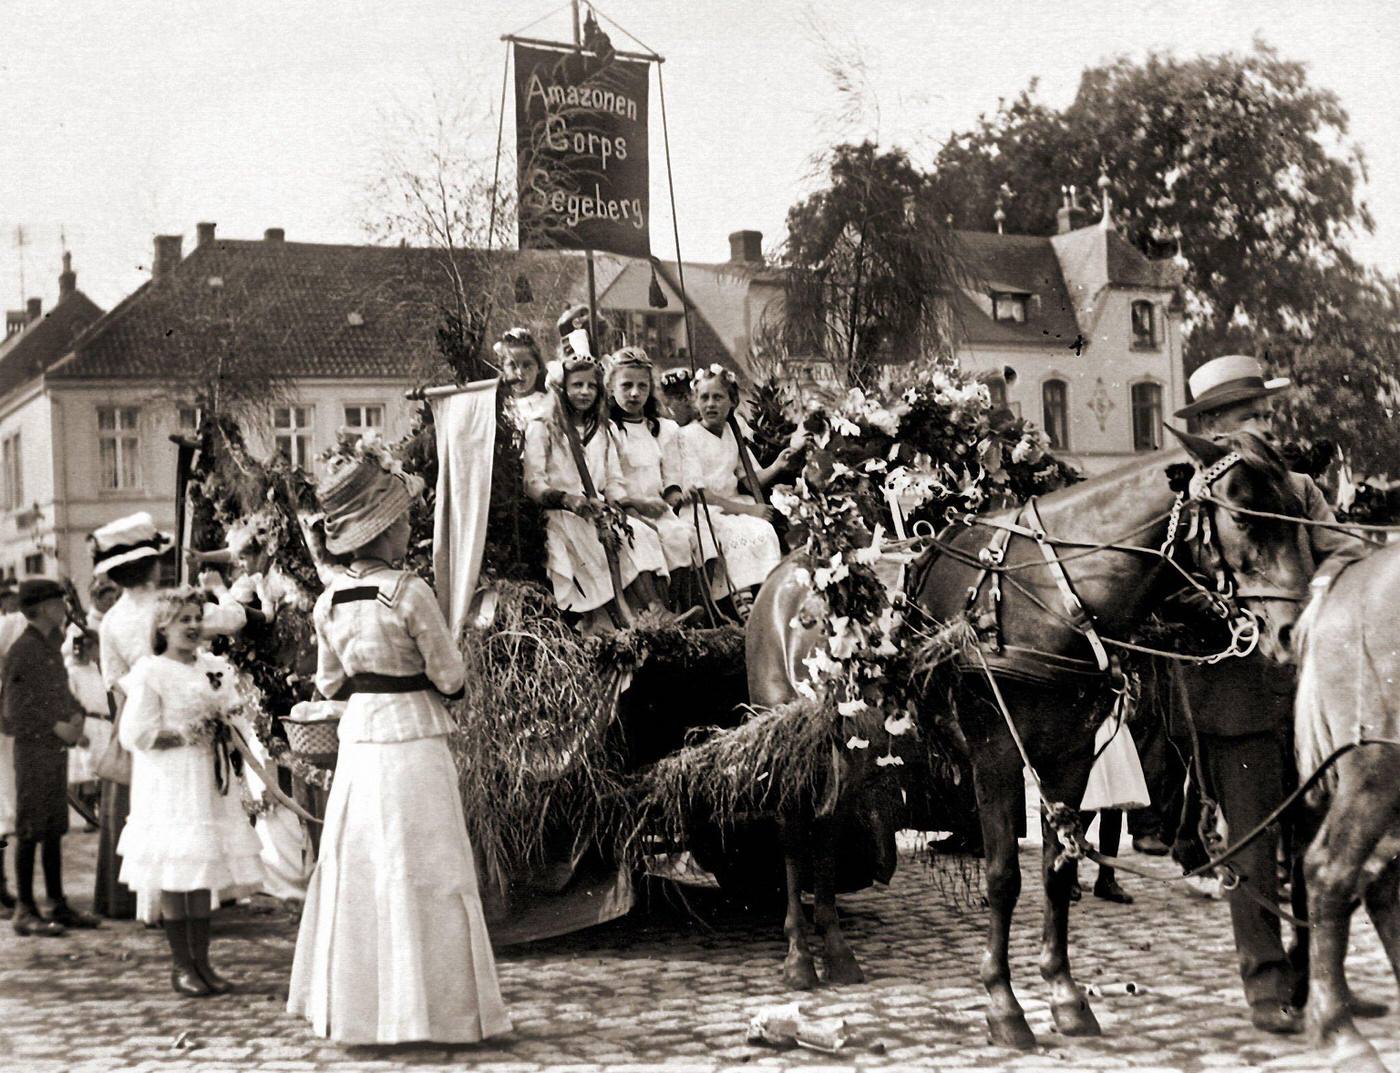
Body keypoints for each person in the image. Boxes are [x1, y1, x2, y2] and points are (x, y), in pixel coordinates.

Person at [1172, 354, 1373, 1035]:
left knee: (1318, 836)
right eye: (1248, 417)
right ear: (1217, 428)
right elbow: (1171, 589)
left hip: (1307, 690)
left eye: (1263, 414)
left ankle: (1317, 972)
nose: (1263, 426)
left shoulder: (1298, 488)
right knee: (1253, 845)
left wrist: (1317, 594)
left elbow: (1345, 549)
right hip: (1233, 693)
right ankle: (1264, 984)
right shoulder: (1192, 499)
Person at [287, 452, 511, 1044]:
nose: (410, 531)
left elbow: (329, 683)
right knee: (427, 862)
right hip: (412, 733)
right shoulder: (410, 593)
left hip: (362, 736)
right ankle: (435, 1012)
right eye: (405, 523)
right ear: (384, 532)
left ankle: (365, 1010)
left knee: (364, 863)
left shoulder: (328, 602)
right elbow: (451, 678)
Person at [92, 512, 246, 920]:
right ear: (152, 565)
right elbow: (233, 620)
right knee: (189, 817)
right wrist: (222, 589)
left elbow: (113, 679)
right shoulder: (170, 606)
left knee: (156, 814)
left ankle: (154, 908)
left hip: (141, 717)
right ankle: (194, 906)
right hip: (181, 714)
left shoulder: (110, 620)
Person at [118, 589, 264, 995]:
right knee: (175, 868)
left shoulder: (214, 667)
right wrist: (184, 734)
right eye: (183, 619)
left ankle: (203, 963)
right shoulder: (151, 671)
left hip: (206, 780)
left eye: (197, 617)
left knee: (201, 871)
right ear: (163, 626)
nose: (193, 626)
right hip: (169, 782)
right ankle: (182, 966)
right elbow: (136, 734)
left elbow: (235, 713)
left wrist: (228, 726)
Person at [523, 353, 669, 627]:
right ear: (562, 388)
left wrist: (628, 504)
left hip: (598, 509)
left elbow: (612, 481)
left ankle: (656, 611)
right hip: (559, 514)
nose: (585, 392)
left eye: (591, 385)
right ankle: (626, 620)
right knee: (597, 541)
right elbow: (533, 483)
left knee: (643, 533)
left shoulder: (603, 428)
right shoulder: (543, 427)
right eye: (577, 385)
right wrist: (568, 500)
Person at [2, 578, 100, 937]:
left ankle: (57, 902)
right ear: (44, 608)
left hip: (53, 750)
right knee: (30, 829)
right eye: (59, 604)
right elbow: (14, 710)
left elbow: (60, 691)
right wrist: (57, 726)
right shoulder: (24, 650)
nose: (64, 609)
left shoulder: (47, 645)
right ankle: (25, 909)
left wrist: (75, 717)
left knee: (55, 827)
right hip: (33, 751)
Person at [677, 365, 793, 612]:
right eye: (704, 398)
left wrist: (777, 466)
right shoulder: (687, 436)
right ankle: (742, 603)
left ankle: (765, 597)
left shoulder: (732, 432)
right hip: (704, 509)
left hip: (733, 504)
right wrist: (746, 510)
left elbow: (750, 478)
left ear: (732, 401)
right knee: (735, 532)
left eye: (718, 397)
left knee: (763, 529)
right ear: (695, 402)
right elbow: (699, 492)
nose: (711, 404)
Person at [606, 347, 701, 607]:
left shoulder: (660, 428)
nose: (635, 393)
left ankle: (678, 608)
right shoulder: (609, 430)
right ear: (611, 387)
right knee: (643, 537)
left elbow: (669, 479)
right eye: (626, 386)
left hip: (656, 507)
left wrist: (674, 496)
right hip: (624, 510)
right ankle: (654, 611)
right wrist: (635, 506)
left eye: (642, 386)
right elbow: (609, 481)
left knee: (679, 536)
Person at [496, 327, 554, 427]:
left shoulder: (549, 403)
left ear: (538, 367)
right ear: (502, 369)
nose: (520, 372)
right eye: (513, 366)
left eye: (527, 365)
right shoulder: (500, 406)